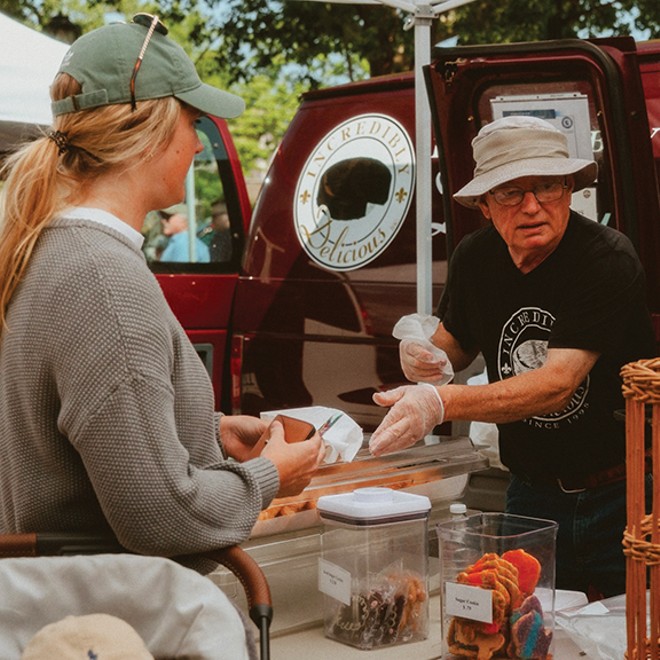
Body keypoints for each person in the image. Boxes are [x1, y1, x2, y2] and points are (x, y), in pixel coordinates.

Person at [0, 14, 324, 565]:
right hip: (112, 623)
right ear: (147, 130)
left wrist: (211, 431)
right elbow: (161, 517)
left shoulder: (48, 247)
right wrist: (269, 475)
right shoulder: (102, 281)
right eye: (192, 121)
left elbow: (76, 436)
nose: (200, 145)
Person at [369, 116, 655, 599]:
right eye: (509, 192)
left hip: (623, 494)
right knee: (525, 630)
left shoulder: (606, 258)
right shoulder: (476, 258)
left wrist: (440, 402)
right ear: (483, 204)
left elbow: (556, 382)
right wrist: (423, 354)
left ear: (569, 189)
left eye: (547, 186)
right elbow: (452, 344)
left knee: (625, 638)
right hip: (530, 492)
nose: (532, 206)